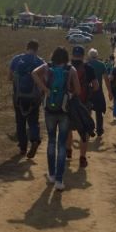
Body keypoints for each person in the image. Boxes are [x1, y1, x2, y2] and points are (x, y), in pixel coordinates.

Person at [33, 47, 81, 191]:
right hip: (64, 110)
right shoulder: (71, 69)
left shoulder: (46, 67)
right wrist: (70, 94)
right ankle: (59, 180)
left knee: (51, 141)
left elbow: (33, 73)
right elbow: (78, 90)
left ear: (53, 56)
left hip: (49, 110)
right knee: (62, 144)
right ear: (66, 57)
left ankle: (52, 174)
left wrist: (45, 89)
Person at [8, 40, 45, 159]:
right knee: (33, 121)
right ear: (37, 49)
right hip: (34, 97)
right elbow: (44, 80)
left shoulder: (16, 59)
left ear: (27, 47)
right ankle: (34, 139)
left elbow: (9, 77)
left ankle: (23, 148)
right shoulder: (40, 62)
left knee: (20, 122)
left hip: (18, 96)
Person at [68, 45, 97, 168]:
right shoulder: (89, 68)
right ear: (83, 55)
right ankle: (82, 157)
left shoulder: (67, 67)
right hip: (84, 104)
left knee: (68, 128)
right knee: (84, 130)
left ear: (72, 55)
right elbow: (96, 86)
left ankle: (68, 150)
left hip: (69, 103)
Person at [86, 49, 109, 138]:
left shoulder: (86, 64)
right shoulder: (101, 64)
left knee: (88, 111)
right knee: (99, 112)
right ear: (97, 55)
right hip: (98, 90)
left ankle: (89, 128)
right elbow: (106, 79)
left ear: (89, 55)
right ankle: (99, 130)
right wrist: (110, 91)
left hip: (88, 91)